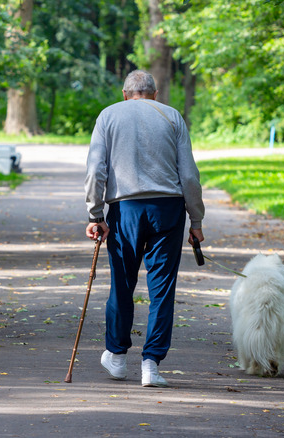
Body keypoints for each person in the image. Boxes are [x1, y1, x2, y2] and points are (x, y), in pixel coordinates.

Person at [84, 70, 205, 387]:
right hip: (168, 209)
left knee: (122, 285)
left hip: (126, 210)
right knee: (162, 290)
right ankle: (151, 365)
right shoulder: (172, 116)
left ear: (125, 93)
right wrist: (197, 220)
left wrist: (95, 215)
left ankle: (117, 357)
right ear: (155, 93)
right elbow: (189, 175)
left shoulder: (109, 115)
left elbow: (95, 169)